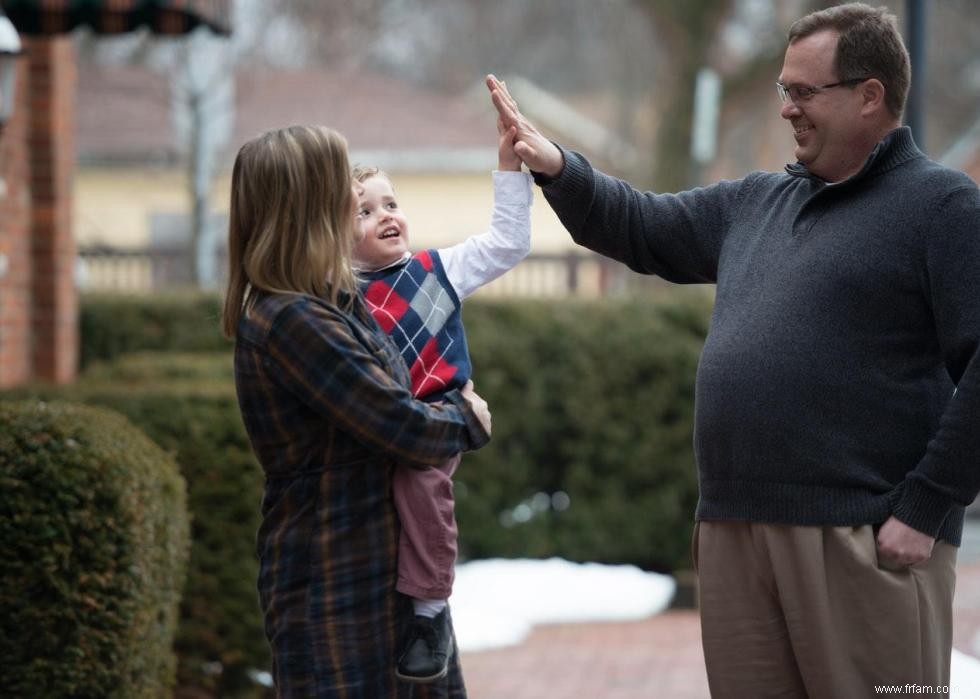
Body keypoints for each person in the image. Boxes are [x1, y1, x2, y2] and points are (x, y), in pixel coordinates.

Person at [488, 2, 979, 696]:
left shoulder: (941, 207)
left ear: (871, 97)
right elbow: (642, 226)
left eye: (805, 92)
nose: (787, 109)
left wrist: (927, 505)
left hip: (861, 541)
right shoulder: (758, 202)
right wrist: (558, 166)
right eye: (785, 89)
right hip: (734, 533)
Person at [220, 124, 491, 698]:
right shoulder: (293, 319)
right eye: (338, 182)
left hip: (378, 575)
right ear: (309, 205)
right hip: (334, 581)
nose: (353, 195)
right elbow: (402, 425)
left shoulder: (330, 302)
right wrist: (465, 416)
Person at [352, 116, 531, 682]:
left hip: (436, 420)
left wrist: (508, 169)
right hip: (375, 425)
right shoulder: (336, 296)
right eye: (362, 211)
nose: (385, 215)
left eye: (389, 203)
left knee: (421, 489)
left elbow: (507, 243)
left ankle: (429, 611)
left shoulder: (439, 270)